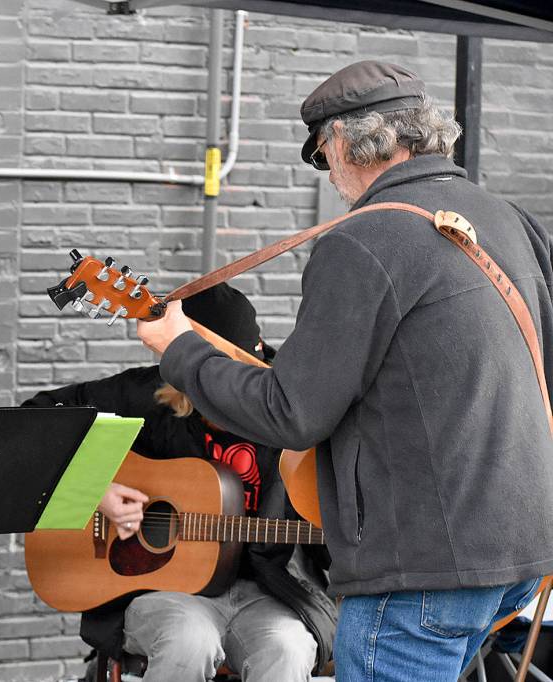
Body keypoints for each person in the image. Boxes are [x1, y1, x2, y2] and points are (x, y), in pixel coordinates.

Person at [136, 60, 553, 681]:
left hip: (420, 570)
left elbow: (289, 410)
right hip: (521, 552)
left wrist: (178, 349)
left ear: (344, 141)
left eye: (321, 155)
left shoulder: (363, 240)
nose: (329, 174)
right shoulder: (510, 220)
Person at [24, 283, 336, 682]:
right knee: (189, 641)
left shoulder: (293, 413)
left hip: (271, 591)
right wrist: (91, 492)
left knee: (287, 649)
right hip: (165, 594)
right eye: (216, 379)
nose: (232, 397)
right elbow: (35, 422)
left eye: (240, 379)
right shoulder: (144, 396)